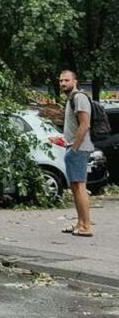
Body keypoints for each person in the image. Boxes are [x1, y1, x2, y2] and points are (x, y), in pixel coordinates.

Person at [59, 70, 94, 237]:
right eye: (61, 81)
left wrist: (74, 149)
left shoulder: (79, 98)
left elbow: (85, 125)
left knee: (80, 187)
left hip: (79, 148)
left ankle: (86, 226)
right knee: (75, 187)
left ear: (75, 81)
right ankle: (80, 223)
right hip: (73, 147)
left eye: (66, 80)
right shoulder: (71, 99)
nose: (63, 83)